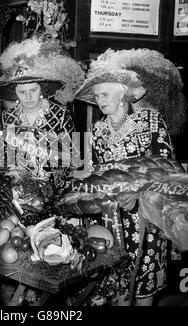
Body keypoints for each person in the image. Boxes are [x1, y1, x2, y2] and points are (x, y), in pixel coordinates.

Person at [75, 53, 177, 306]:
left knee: (143, 284)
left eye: (104, 95)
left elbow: (165, 166)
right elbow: (96, 173)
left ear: (122, 94)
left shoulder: (150, 121)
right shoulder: (97, 130)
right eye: (96, 96)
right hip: (110, 219)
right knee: (116, 283)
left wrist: (138, 191)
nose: (99, 101)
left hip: (146, 216)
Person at [0, 37, 82, 187]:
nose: (28, 97)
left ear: (42, 89)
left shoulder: (61, 114)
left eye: (33, 90)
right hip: (18, 190)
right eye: (22, 92)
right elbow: (3, 157)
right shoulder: (8, 117)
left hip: (52, 189)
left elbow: (75, 157)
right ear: (14, 94)